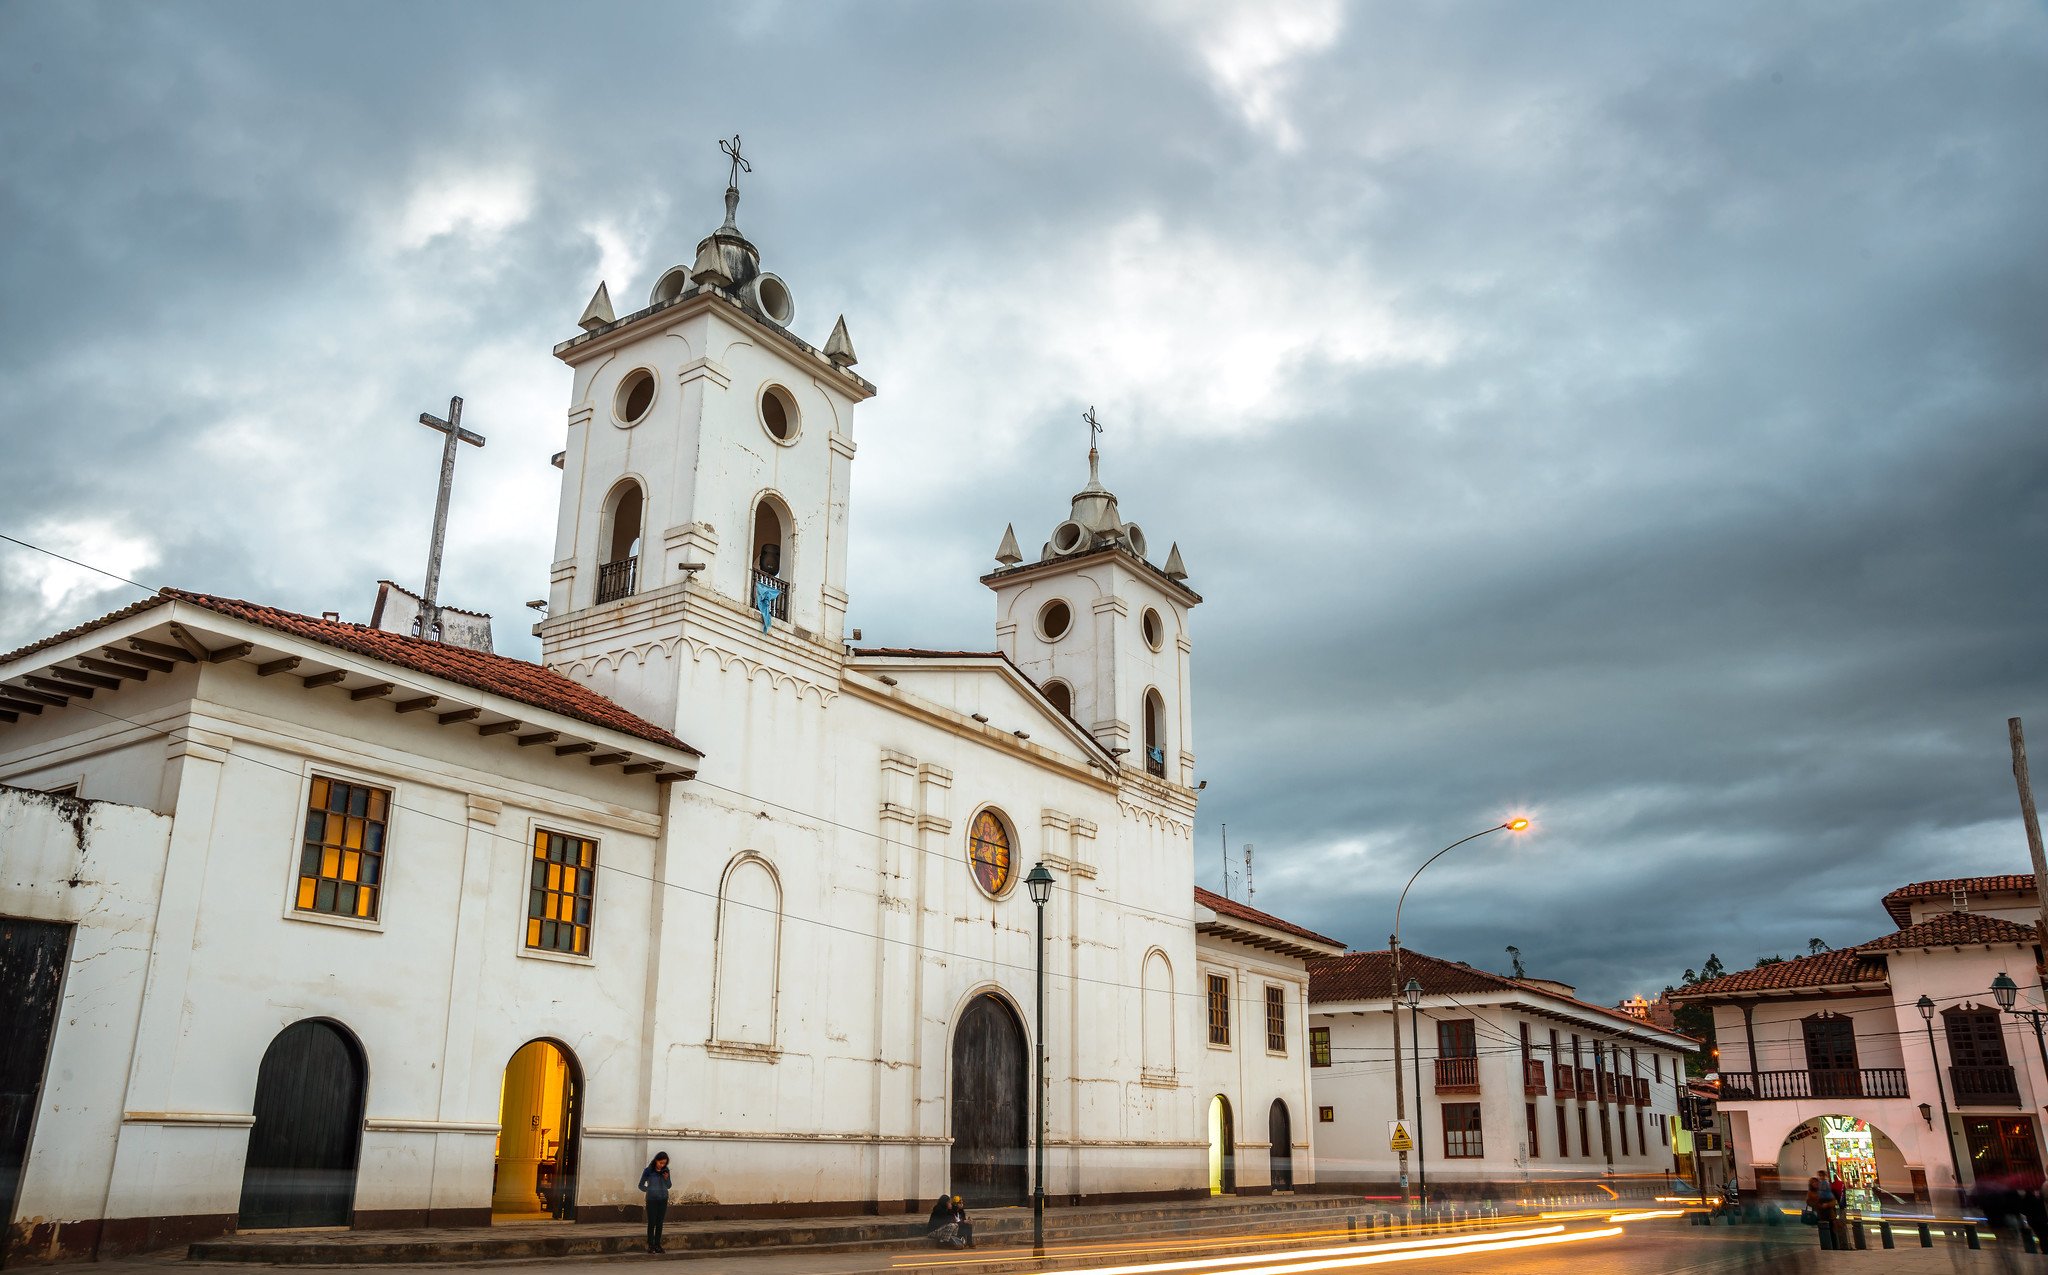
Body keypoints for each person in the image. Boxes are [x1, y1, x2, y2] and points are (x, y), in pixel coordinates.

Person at [638, 1152, 672, 1254]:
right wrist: (649, 1190)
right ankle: (651, 1245)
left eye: (664, 1163)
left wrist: (666, 1178)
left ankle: (658, 1244)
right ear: (656, 1160)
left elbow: (669, 1185)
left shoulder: (666, 1171)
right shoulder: (648, 1171)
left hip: (663, 1199)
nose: (662, 1165)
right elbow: (640, 1185)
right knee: (652, 1222)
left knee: (659, 1223)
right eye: (660, 1163)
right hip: (652, 1200)